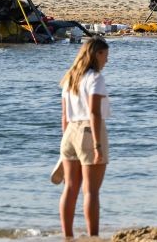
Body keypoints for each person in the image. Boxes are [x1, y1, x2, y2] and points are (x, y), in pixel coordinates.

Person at [58, 36, 110, 238]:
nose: (107, 60)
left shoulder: (70, 78)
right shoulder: (95, 78)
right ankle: (93, 236)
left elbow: (64, 115)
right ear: (96, 54)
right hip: (89, 131)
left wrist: (66, 140)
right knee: (91, 191)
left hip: (70, 132)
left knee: (70, 188)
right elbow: (94, 113)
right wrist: (97, 146)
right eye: (105, 55)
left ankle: (67, 235)